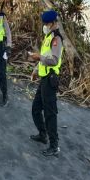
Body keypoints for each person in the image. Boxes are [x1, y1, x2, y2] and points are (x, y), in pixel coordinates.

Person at [28, 10, 63, 156]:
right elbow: (45, 57)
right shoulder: (48, 37)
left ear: (53, 23)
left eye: (47, 24)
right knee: (36, 108)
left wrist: (38, 57)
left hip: (50, 79)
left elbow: (53, 60)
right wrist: (36, 70)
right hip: (43, 78)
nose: (45, 26)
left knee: (50, 113)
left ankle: (54, 146)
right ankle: (43, 135)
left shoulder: (56, 38)